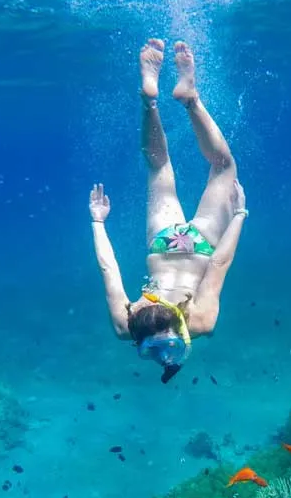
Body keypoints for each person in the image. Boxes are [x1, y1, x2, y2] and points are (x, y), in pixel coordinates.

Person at [89, 38, 247, 383]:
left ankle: (190, 100)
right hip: (162, 243)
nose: (164, 358)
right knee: (158, 167)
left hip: (199, 245)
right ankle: (149, 101)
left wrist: (239, 217)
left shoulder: (200, 322)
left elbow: (219, 264)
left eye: (155, 351)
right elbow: (107, 267)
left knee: (223, 167)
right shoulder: (125, 324)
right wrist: (97, 222)